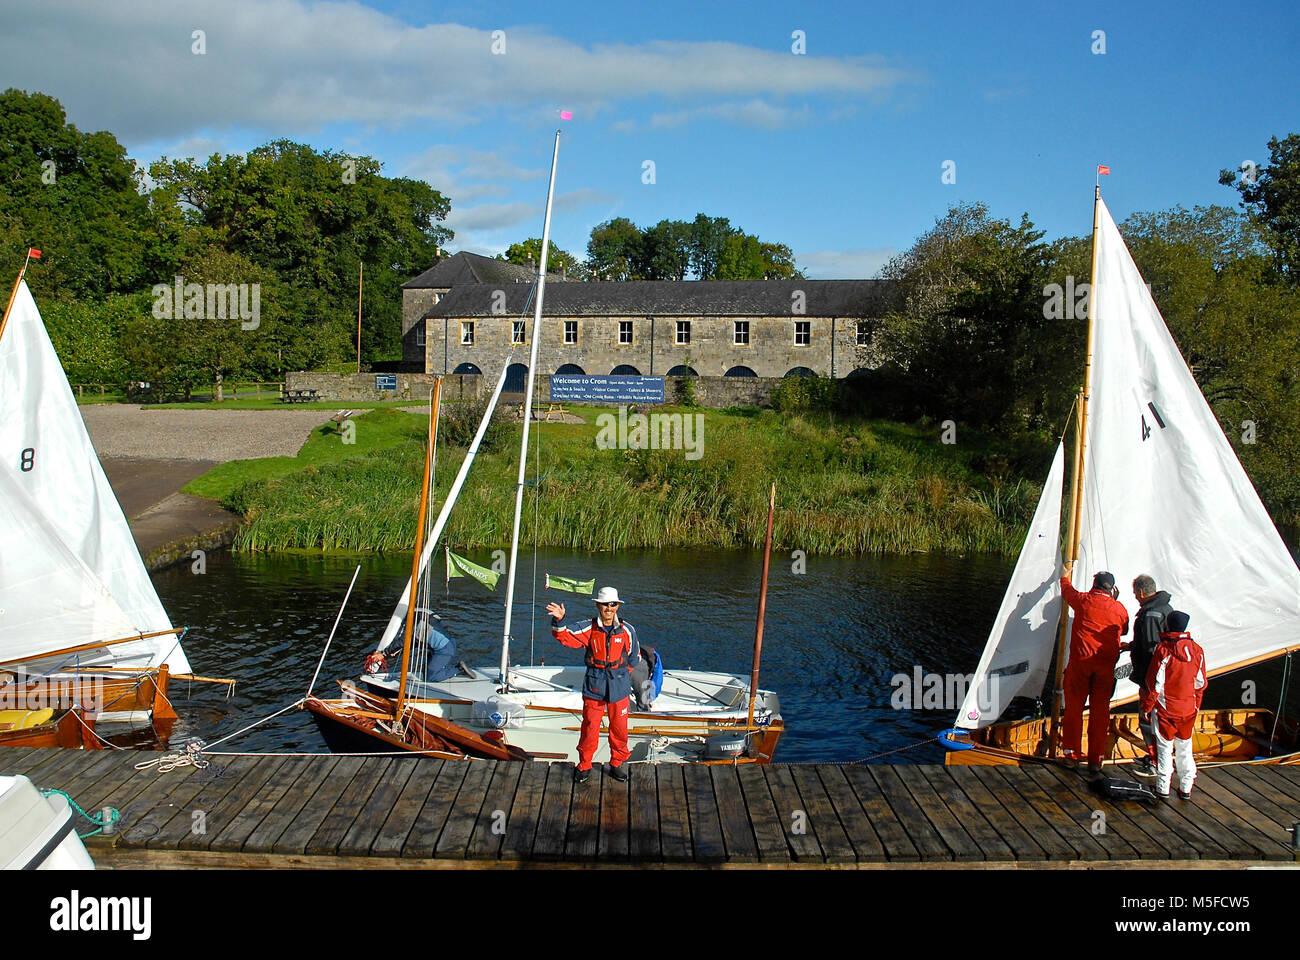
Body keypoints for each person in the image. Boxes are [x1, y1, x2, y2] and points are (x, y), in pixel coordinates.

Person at [546, 586, 640, 784]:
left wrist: (621, 675)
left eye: (612, 604)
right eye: (605, 604)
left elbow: (634, 657)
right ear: (598, 605)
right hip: (595, 686)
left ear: (617, 606)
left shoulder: (628, 630)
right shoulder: (588, 627)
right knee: (590, 727)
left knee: (620, 729)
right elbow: (565, 636)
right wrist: (559, 620)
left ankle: (616, 763)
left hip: (619, 687)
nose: (609, 608)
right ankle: (584, 765)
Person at [1059, 570, 1130, 773]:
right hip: (1105, 668)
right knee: (1100, 712)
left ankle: (1071, 754)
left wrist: (1064, 576)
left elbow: (1066, 591)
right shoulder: (1119, 608)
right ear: (1112, 589)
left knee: (1074, 708)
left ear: (1095, 585)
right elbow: (1123, 629)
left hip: (1081, 665)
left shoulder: (1084, 600)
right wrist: (1114, 601)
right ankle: (1096, 759)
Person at [1140, 611, 1206, 799]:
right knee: (1185, 748)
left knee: (1164, 748)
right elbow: (1200, 683)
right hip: (1189, 709)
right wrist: (1196, 705)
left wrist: (1146, 707)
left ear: (1168, 626)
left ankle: (1163, 788)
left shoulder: (1163, 650)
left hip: (1166, 710)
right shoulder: (1198, 650)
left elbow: (1155, 684)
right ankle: (1186, 787)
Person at [1121, 574, 1173, 776]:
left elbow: (1152, 650)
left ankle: (1154, 762)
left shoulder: (1150, 614)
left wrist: (1149, 682)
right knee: (1157, 718)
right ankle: (1158, 757)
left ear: (1142, 592)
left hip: (1150, 677)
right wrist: (1131, 646)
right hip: (1162, 676)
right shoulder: (1166, 607)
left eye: (1135, 593)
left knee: (1147, 716)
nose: (1135, 597)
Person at [363, 608, 458, 683]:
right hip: (440, 647)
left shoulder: (412, 620)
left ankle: (458, 669)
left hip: (445, 649)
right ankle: (444, 669)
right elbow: (415, 640)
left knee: (431, 677)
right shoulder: (418, 615)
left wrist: (383, 654)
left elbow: (403, 640)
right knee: (425, 674)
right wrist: (399, 650)